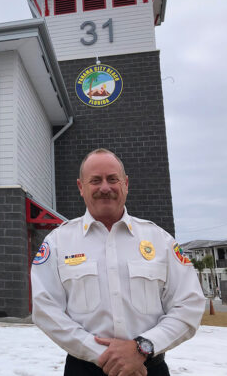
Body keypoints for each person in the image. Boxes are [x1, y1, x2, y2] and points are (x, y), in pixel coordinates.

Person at [31, 148, 205, 376]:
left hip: (148, 367)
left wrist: (142, 348)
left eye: (113, 179)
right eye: (95, 180)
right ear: (81, 187)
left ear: (126, 183)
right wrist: (108, 356)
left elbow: (189, 305)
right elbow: (46, 309)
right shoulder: (58, 242)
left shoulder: (159, 240)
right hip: (85, 369)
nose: (105, 187)